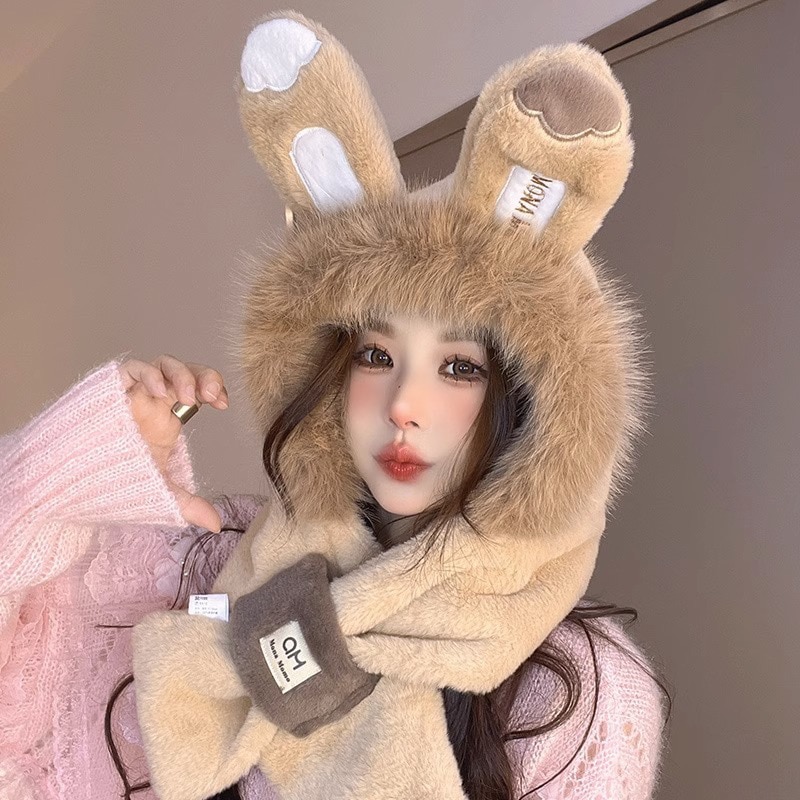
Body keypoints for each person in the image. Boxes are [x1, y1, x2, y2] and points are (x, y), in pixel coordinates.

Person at [1, 11, 672, 800]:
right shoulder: (208, 568)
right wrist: (61, 473)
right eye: (375, 356)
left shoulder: (583, 697)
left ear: (535, 403)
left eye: (460, 366)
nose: (403, 405)